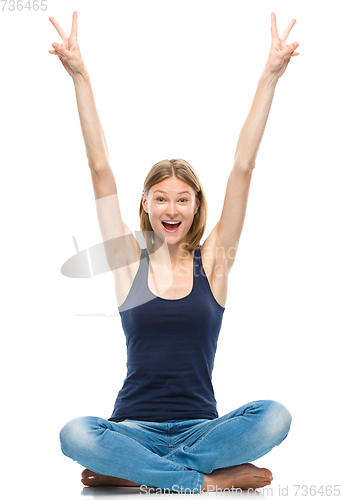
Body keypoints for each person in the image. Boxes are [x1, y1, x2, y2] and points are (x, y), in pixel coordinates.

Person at [50, 11, 299, 493]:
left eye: (183, 198)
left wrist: (270, 75)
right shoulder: (128, 263)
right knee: (76, 432)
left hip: (203, 429)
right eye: (160, 197)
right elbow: (100, 167)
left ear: (196, 205)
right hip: (131, 430)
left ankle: (131, 471)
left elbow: (243, 167)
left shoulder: (215, 263)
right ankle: (205, 481)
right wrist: (80, 76)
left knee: (275, 416)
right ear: (145, 204)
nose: (171, 207)